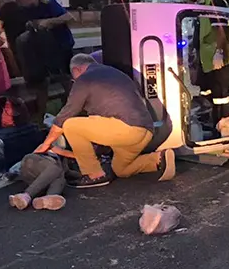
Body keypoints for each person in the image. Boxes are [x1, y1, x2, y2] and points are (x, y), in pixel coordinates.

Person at [33, 53, 175, 188]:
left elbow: (66, 114)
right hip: (146, 130)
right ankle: (158, 159)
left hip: (126, 129)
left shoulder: (85, 79)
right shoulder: (116, 73)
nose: (74, 81)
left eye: (73, 78)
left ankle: (94, 174)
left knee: (70, 125)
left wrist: (46, 144)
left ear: (77, 69)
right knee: (120, 169)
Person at [180, 0, 229, 127]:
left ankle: (224, 127)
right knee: (208, 91)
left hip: (222, 58)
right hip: (209, 58)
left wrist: (219, 53)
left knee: (221, 95)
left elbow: (221, 28)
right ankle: (213, 122)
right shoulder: (203, 1)